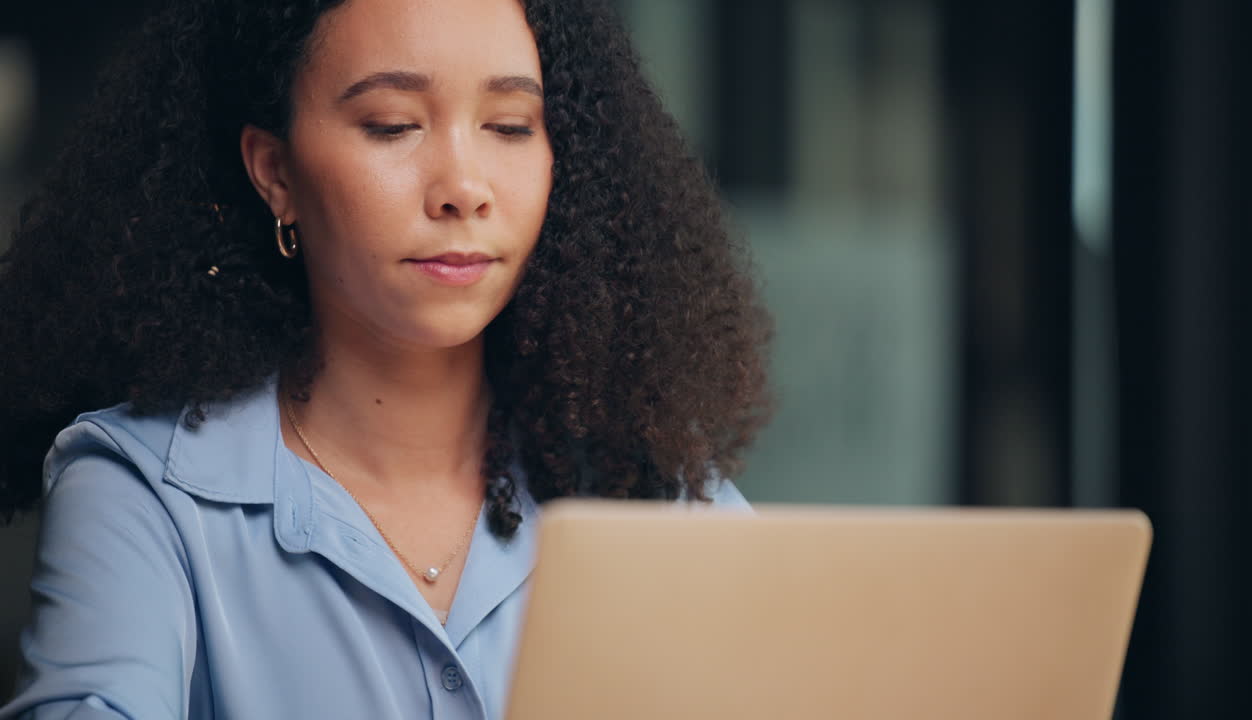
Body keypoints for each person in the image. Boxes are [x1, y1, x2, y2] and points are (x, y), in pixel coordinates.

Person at [0, 0, 771, 717]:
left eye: (509, 126)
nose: (463, 189)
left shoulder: (658, 493)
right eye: (393, 124)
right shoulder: (145, 492)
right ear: (275, 172)